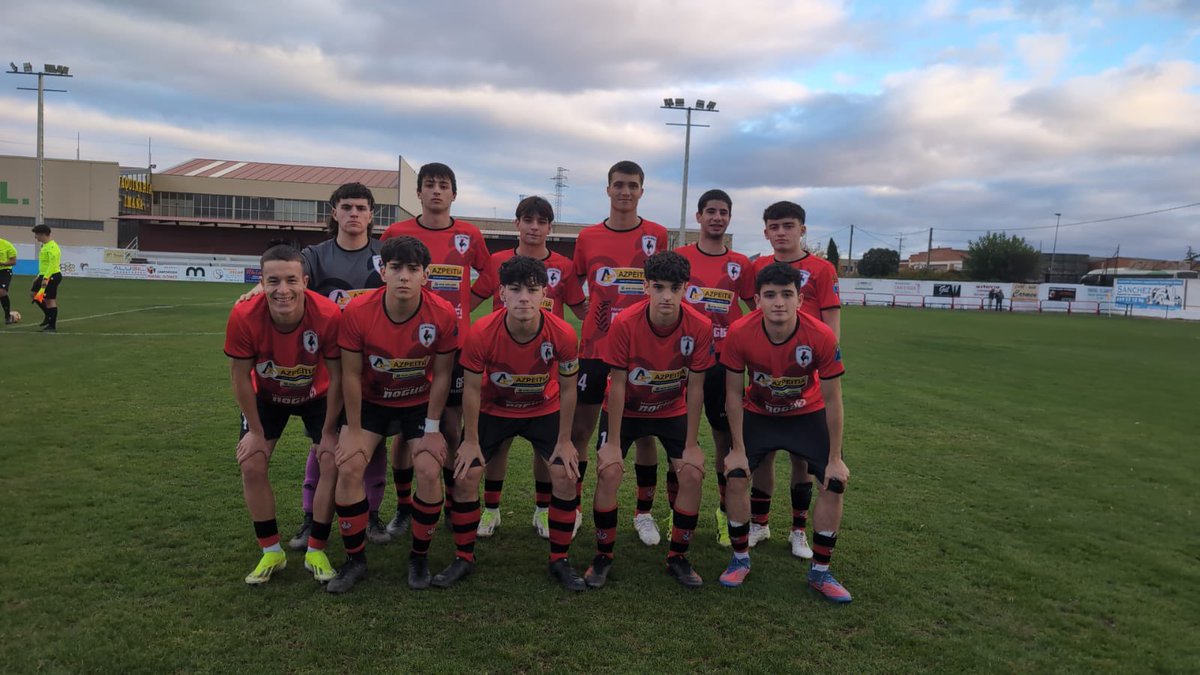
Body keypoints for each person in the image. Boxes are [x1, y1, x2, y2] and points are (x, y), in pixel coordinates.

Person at [237, 183, 393, 550]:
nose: (353, 214)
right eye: (346, 207)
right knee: (324, 443)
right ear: (334, 213)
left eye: (361, 207)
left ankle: (369, 512)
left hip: (375, 360)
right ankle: (311, 517)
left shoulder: (383, 256)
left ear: (372, 215)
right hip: (324, 364)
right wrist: (259, 290)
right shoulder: (314, 255)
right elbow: (286, 276)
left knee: (372, 440)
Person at [327, 236, 459, 593]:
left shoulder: (442, 313)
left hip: (417, 403)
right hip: (371, 403)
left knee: (430, 470)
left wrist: (433, 428)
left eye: (412, 269)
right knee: (350, 465)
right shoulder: (356, 311)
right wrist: (353, 428)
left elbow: (443, 373)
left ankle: (419, 557)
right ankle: (355, 560)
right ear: (382, 271)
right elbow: (351, 374)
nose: (404, 276)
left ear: (425, 275)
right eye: (396, 268)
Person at [719, 262, 852, 603]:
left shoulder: (820, 335)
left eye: (786, 294)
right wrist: (736, 447)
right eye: (770, 295)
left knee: (834, 481)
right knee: (734, 474)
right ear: (758, 300)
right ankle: (740, 559)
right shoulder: (739, 332)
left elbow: (834, 399)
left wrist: (835, 458)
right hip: (759, 413)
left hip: (805, 414)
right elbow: (733, 392)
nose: (779, 302)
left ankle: (821, 573)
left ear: (800, 298)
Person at [455, 254, 586, 590]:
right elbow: (470, 390)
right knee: (466, 474)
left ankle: (560, 560)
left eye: (532, 289)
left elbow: (570, 390)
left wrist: (566, 440)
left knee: (566, 474)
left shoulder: (564, 333)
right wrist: (469, 441)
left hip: (543, 410)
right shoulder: (482, 332)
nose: (524, 297)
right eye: (515, 289)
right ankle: (462, 558)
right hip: (494, 408)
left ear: (545, 293)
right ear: (502, 294)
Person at [585, 251, 714, 589]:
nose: (667, 296)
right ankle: (603, 556)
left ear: (686, 289)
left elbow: (696, 387)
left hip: (672, 410)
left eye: (675, 288)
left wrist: (691, 445)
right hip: (625, 411)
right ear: (645, 287)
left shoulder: (700, 327)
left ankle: (678, 558)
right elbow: (618, 383)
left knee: (691, 474)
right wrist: (612, 443)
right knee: (609, 471)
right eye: (659, 287)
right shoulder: (625, 322)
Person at [379, 163, 495, 530]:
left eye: (443, 186)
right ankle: (403, 506)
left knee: (449, 423)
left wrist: (462, 309)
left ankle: (449, 503)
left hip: (454, 343)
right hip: (405, 346)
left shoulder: (469, 234)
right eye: (428, 185)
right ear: (419, 193)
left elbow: (490, 278)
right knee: (403, 428)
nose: (436, 191)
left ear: (453, 194)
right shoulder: (397, 231)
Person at [224, 244, 343, 584]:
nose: (283, 290)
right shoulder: (244, 314)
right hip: (266, 394)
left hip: (317, 395)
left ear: (305, 281)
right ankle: (271, 552)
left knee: (331, 460)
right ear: (260, 282)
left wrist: (331, 430)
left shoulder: (328, 314)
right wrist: (255, 431)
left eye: (291, 280)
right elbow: (239, 377)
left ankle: (316, 548)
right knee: (252, 462)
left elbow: (337, 377)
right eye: (272, 281)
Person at [571, 161, 669, 547]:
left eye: (632, 185)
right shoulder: (588, 236)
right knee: (581, 430)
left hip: (644, 354)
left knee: (644, 434)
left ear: (642, 190)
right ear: (607, 189)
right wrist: (589, 316)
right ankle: (574, 506)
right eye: (618, 185)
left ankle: (643, 514)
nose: (625, 191)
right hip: (596, 350)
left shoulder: (657, 234)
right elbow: (571, 284)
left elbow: (667, 286)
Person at [479, 196, 587, 539]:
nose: (534, 227)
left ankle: (543, 509)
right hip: (500, 373)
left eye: (542, 222)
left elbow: (580, 307)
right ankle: (491, 509)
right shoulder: (497, 261)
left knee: (548, 447)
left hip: (546, 372)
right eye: (528, 220)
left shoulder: (565, 267)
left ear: (550, 228)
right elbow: (470, 297)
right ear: (517, 225)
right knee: (499, 445)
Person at [748, 201, 841, 559]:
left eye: (789, 225)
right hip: (765, 376)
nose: (781, 233)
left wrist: (821, 365)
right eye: (774, 226)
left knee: (802, 459)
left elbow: (831, 323)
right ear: (766, 231)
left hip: (806, 377)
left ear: (802, 229)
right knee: (765, 456)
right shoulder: (759, 266)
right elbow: (752, 313)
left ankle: (798, 529)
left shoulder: (821, 268)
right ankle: (760, 523)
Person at [674, 189, 755, 547]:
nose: (717, 217)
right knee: (678, 440)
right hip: (683, 360)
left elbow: (755, 310)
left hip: (725, 364)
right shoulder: (679, 258)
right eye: (711, 211)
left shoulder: (741, 264)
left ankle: (725, 514)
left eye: (723, 212)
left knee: (726, 439)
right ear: (698, 217)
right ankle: (674, 514)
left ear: (729, 218)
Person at [30, 225, 62, 332]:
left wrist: (45, 278)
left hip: (51, 276)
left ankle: (52, 326)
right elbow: (45, 264)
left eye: (37, 234)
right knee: (34, 294)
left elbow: (52, 265)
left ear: (43, 234)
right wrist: (39, 276)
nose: (35, 237)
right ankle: (48, 315)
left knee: (49, 300)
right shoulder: (45, 246)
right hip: (44, 275)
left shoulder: (52, 247)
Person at [0, 236, 16, 324]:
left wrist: (3, 263)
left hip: (4, 270)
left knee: (2, 292)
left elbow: (13, 261)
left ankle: (7, 315)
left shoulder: (6, 245)